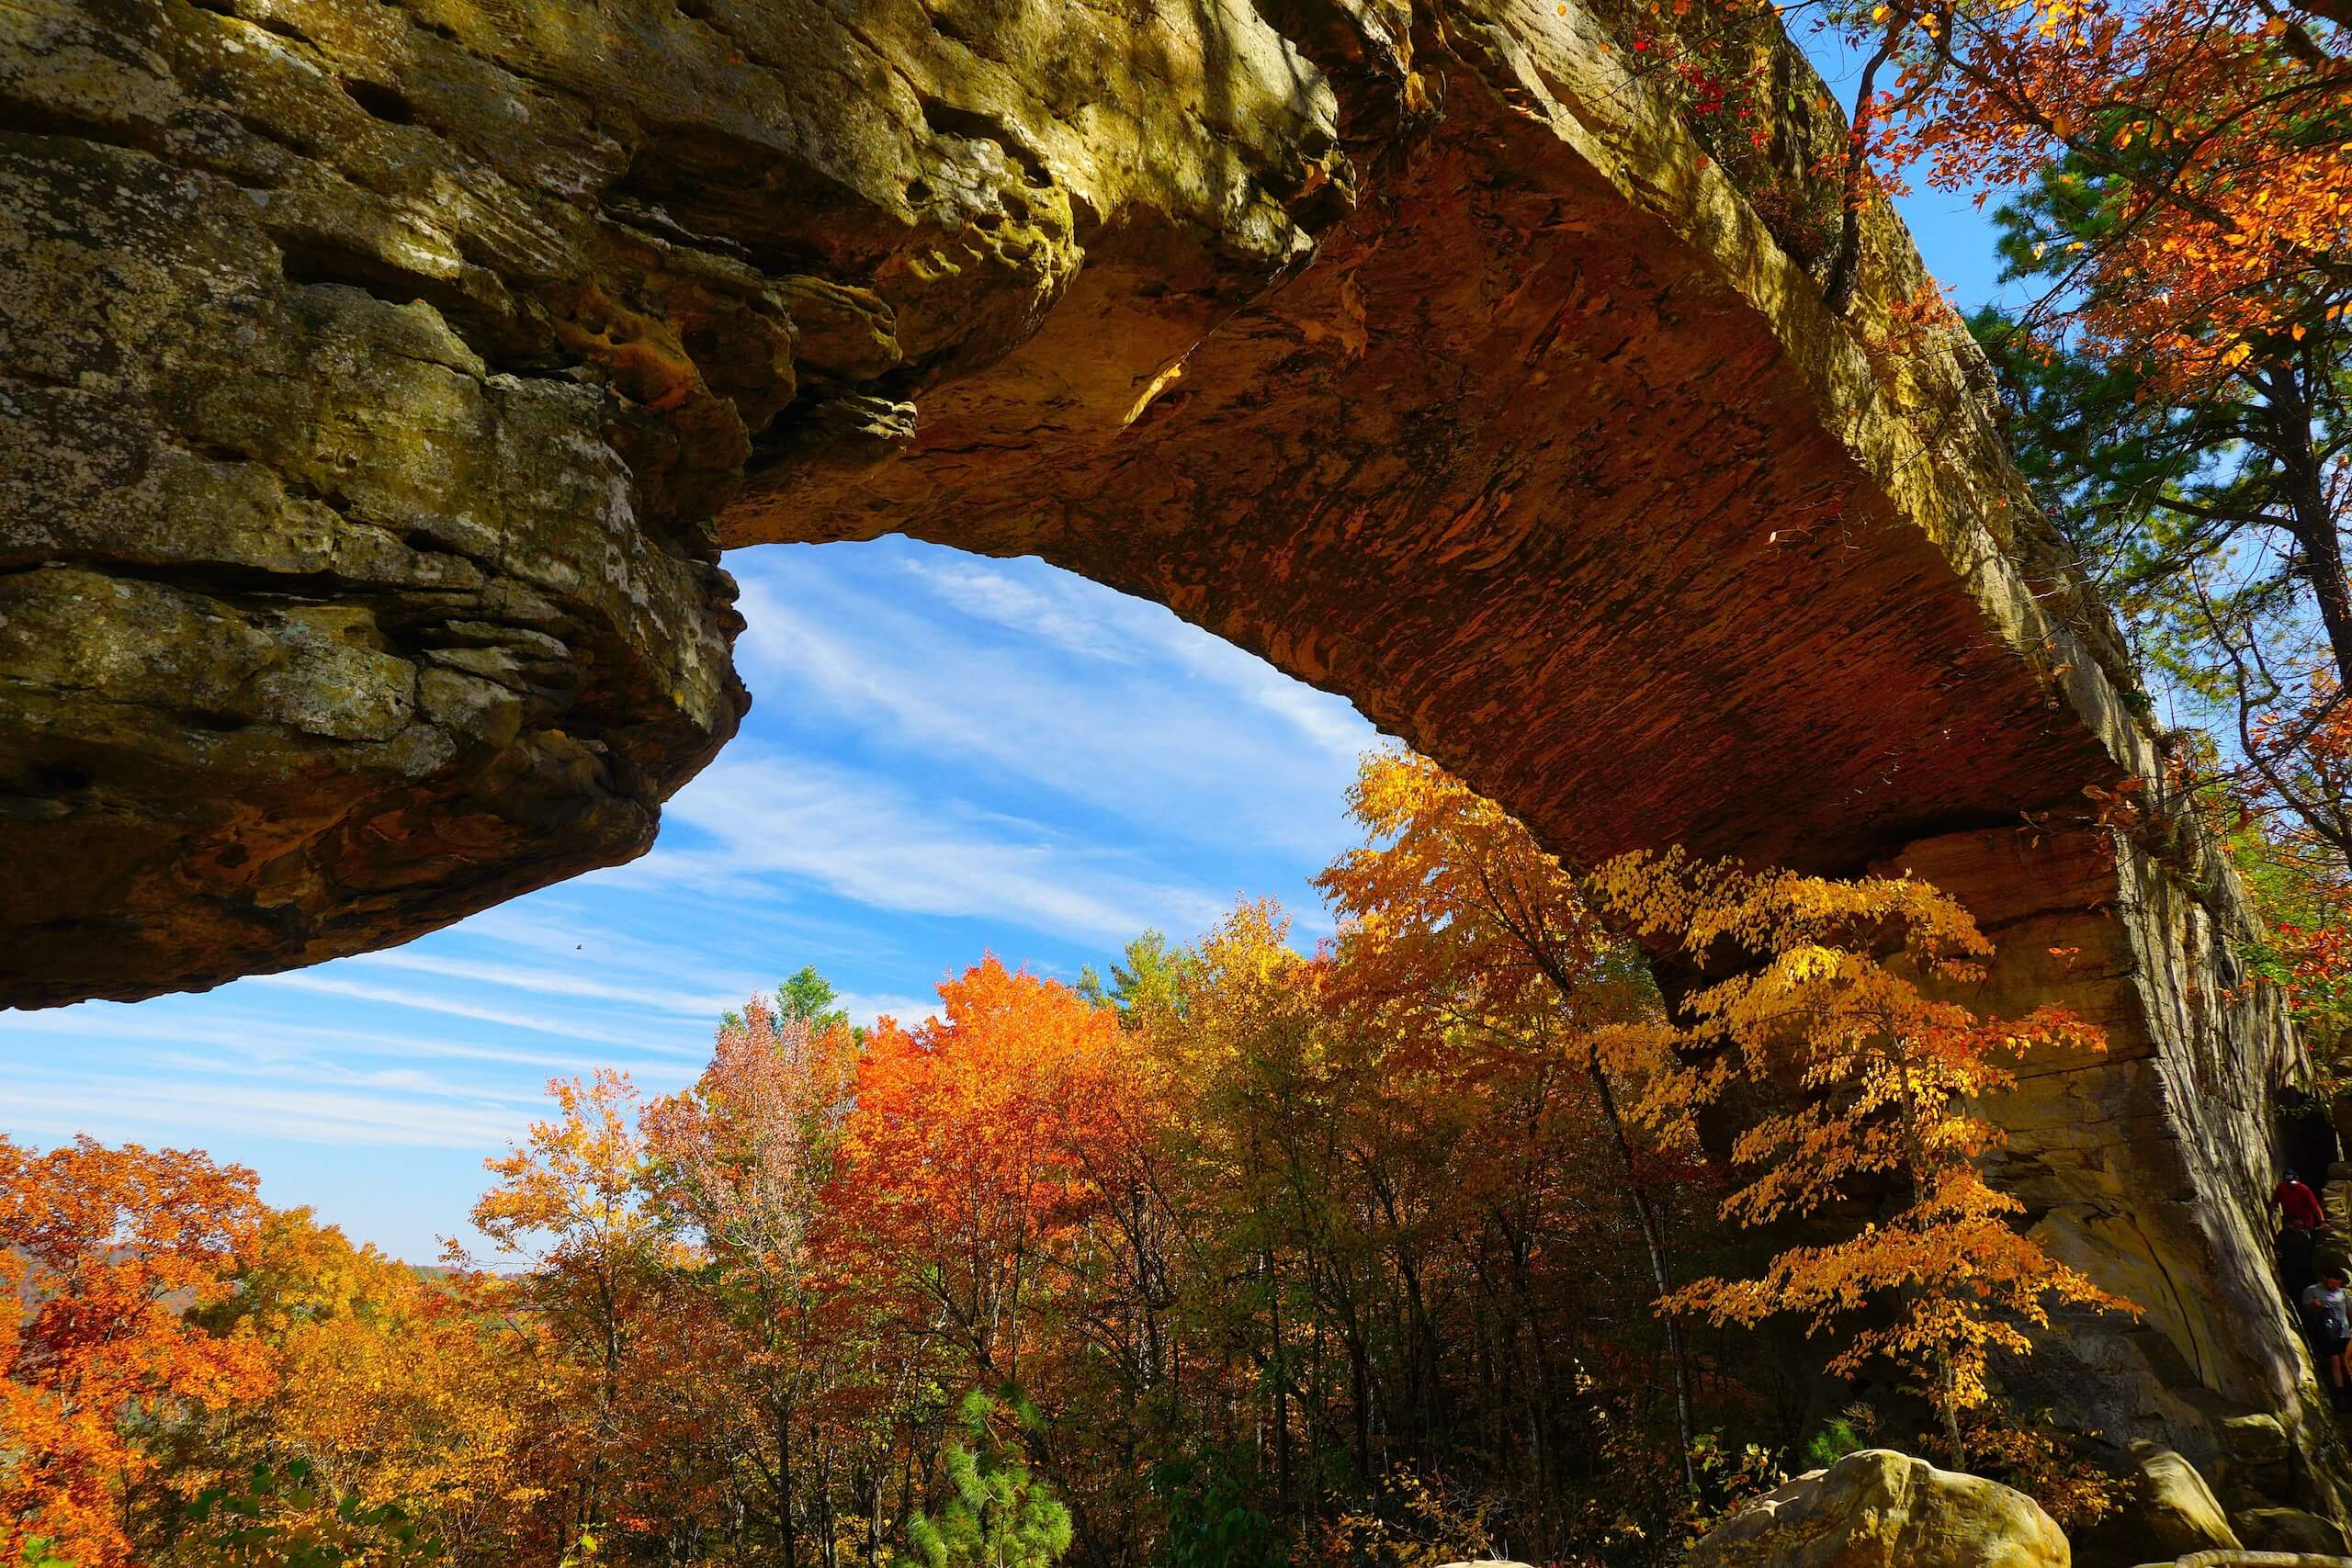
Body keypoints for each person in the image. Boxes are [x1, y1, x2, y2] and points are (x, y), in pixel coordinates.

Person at [2302, 1270, 2352, 1410]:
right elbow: (2306, 1311)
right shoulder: (2312, 1290)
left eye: (2337, 1284)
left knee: (2347, 1361)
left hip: (2344, 1332)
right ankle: (2340, 1397)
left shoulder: (2343, 1293)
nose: (2335, 1286)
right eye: (2332, 1283)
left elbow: (2349, 1312)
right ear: (2324, 1279)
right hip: (2327, 1333)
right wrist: (2315, 1306)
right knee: (2335, 1361)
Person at [2275, 1169, 2326, 1233]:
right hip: (2289, 1222)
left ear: (2297, 1179)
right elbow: (2275, 1200)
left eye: (2293, 1182)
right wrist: (2273, 1208)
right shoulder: (2281, 1188)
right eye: (2288, 1182)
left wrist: (2322, 1221)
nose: (2291, 1184)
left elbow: (2315, 1206)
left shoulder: (2304, 1190)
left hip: (2305, 1224)